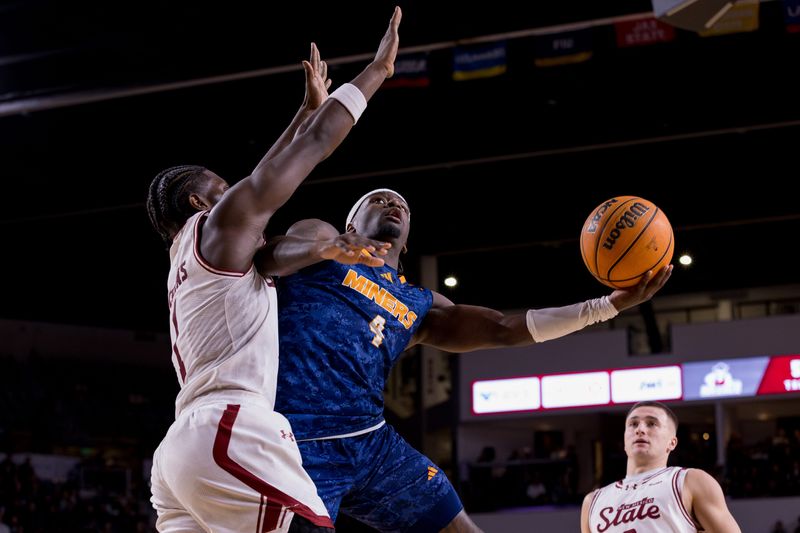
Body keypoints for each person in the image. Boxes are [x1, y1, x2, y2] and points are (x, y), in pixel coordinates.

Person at [258, 188, 672, 532]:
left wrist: (605, 307)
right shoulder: (322, 242)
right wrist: (327, 246)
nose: (394, 204)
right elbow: (271, 254)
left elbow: (504, 328)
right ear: (351, 225)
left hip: (371, 441)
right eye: (379, 200)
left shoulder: (419, 304)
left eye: (402, 205)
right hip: (296, 440)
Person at [145, 8, 401, 532]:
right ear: (201, 201)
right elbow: (300, 158)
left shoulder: (192, 257)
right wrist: (375, 74)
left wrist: (303, 114)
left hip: (181, 451)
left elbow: (269, 205)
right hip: (230, 428)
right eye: (223, 186)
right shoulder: (219, 226)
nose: (235, 189)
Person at [580, 401, 741, 533]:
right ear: (624, 439)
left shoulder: (690, 481)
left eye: (651, 424)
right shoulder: (593, 501)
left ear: (672, 442)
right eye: (633, 424)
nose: (640, 430)